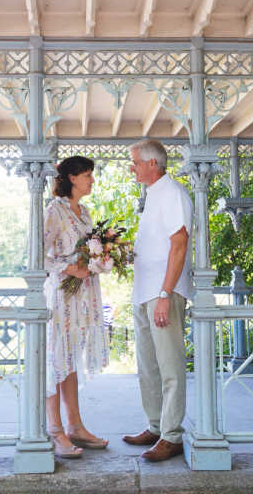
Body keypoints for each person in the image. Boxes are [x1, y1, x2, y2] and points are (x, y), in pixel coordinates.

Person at [123, 139, 193, 462]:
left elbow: (179, 245)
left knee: (170, 366)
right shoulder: (151, 196)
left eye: (135, 162)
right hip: (143, 292)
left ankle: (172, 435)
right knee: (147, 366)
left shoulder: (173, 194)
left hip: (163, 294)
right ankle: (154, 426)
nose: (132, 167)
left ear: (153, 163)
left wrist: (165, 293)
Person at [43, 155, 110, 459]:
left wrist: (100, 261)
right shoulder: (53, 211)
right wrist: (70, 270)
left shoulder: (84, 212)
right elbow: (38, 256)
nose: (91, 180)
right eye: (87, 175)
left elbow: (88, 250)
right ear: (71, 178)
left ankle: (76, 427)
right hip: (61, 294)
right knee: (57, 359)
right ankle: (55, 431)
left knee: (70, 359)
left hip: (83, 297)